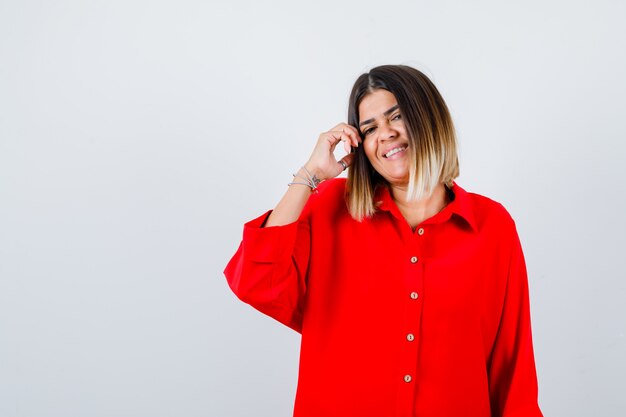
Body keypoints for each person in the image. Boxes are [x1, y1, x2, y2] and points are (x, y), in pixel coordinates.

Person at [224, 64, 543, 417]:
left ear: (429, 119)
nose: (385, 134)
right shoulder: (330, 207)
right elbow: (255, 281)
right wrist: (310, 174)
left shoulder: (492, 226)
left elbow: (512, 371)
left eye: (397, 117)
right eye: (370, 128)